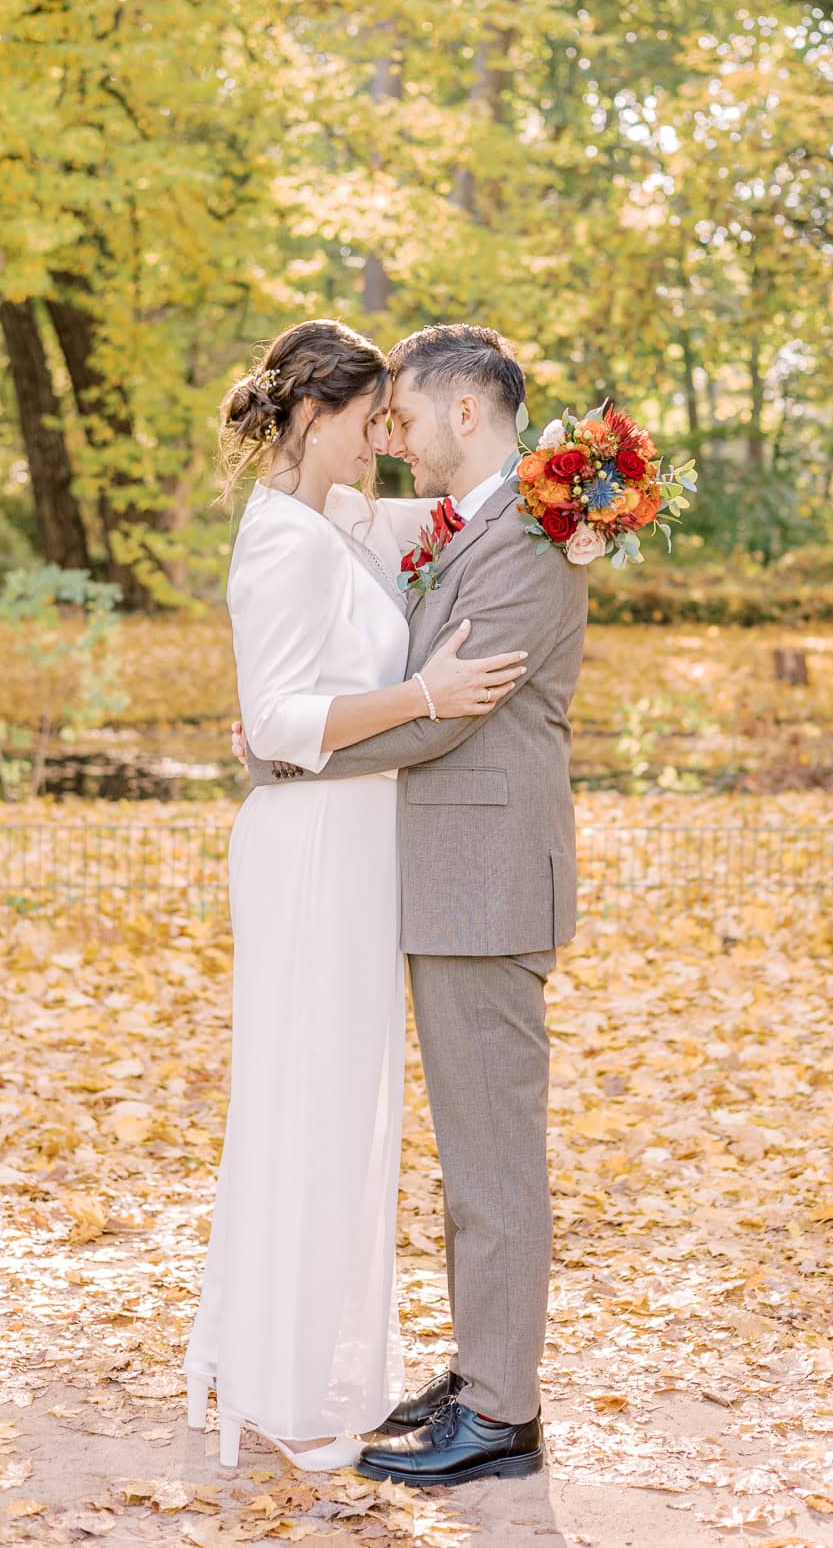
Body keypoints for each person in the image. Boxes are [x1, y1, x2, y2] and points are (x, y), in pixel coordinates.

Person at [235, 323, 590, 1488]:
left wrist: (282, 758)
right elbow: (348, 611)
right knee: (471, 1155)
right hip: (440, 882)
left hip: (483, 886)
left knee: (493, 1162)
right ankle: (483, 1375)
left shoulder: (528, 542)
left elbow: (444, 717)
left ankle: (502, 1415)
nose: (397, 435)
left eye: (409, 415)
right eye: (375, 415)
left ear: (468, 415)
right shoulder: (472, 525)